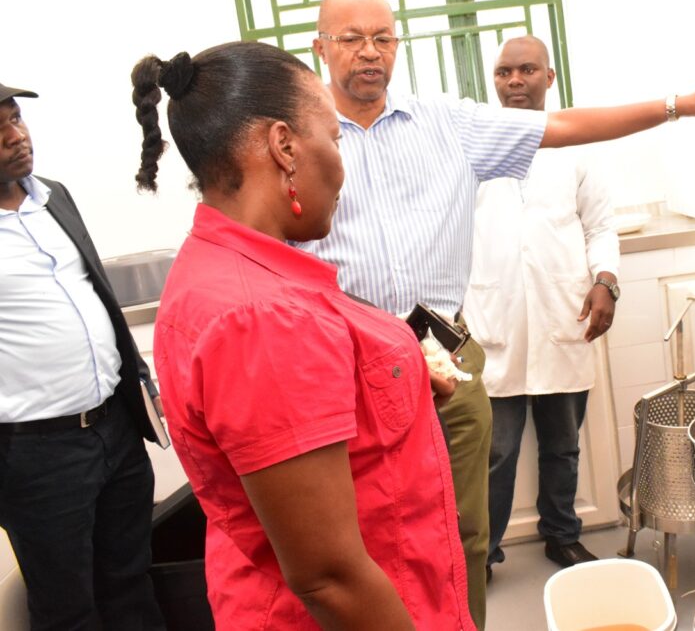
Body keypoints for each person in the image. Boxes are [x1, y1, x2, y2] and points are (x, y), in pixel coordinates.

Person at [302, 0, 695, 627]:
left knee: (464, 534)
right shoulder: (302, 133)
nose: (368, 53)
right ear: (322, 47)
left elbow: (568, 126)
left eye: (382, 38)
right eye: (351, 39)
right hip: (349, 365)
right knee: (370, 538)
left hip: (443, 359)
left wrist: (677, 104)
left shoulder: (446, 123)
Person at [131, 42, 474, 630]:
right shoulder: (261, 319)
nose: (343, 164)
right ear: (284, 146)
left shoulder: (233, 269)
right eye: (335, 140)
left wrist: (405, 382)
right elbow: (330, 578)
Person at [0, 82, 166, 630]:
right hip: (36, 454)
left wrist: (139, 384)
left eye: (16, 117)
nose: (15, 135)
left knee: (131, 582)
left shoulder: (55, 196)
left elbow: (98, 295)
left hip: (114, 430)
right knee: (67, 608)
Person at [462, 36, 619, 580]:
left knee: (562, 446)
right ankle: (482, 552)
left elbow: (601, 226)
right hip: (494, 323)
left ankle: (562, 536)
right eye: (504, 72)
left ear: (548, 78)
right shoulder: (473, 152)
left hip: (565, 318)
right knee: (495, 452)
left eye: (527, 70)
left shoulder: (577, 148)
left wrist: (607, 282)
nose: (514, 81)